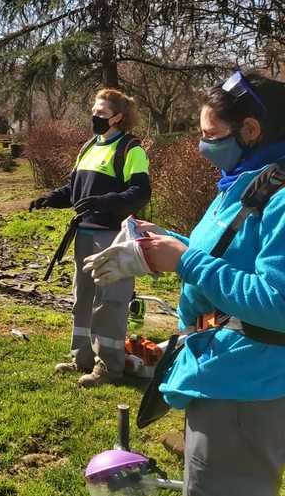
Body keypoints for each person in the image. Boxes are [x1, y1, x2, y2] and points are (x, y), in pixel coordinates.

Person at [135, 71, 285, 496]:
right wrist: (169, 243)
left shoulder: (280, 197)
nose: (203, 147)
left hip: (247, 389)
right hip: (220, 371)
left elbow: (278, 303)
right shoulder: (247, 181)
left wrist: (185, 261)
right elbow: (227, 254)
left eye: (211, 135)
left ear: (251, 130)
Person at [30, 89, 151, 387]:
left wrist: (104, 201)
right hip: (84, 233)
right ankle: (82, 357)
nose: (94, 117)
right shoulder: (89, 147)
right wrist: (49, 198)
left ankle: (109, 367)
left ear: (118, 117)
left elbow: (139, 192)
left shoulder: (131, 149)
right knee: (82, 297)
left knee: (110, 300)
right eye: (94, 112)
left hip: (112, 236)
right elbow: (74, 190)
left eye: (100, 113)